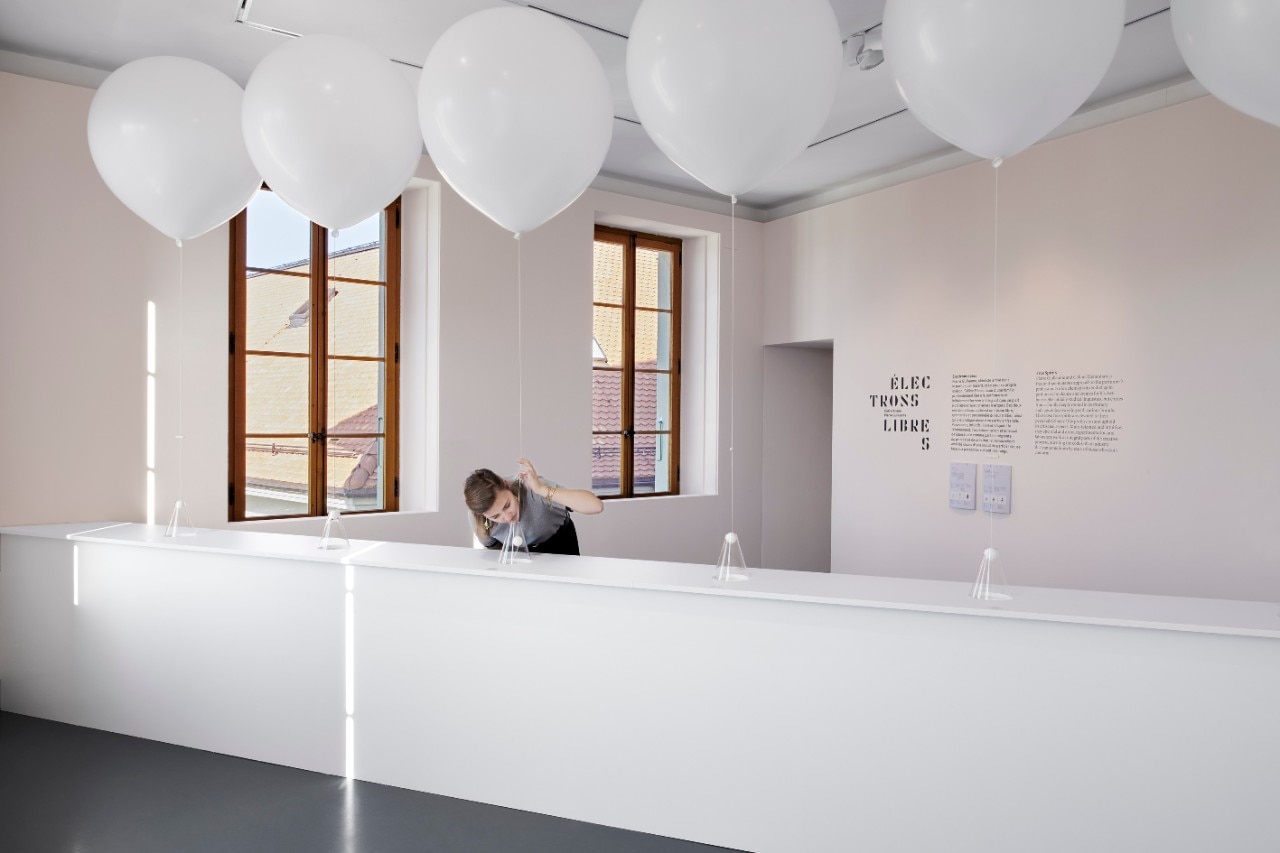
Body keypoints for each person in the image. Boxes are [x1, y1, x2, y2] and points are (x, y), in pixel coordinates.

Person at [464, 457, 603, 556]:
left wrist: (541, 489)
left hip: (558, 542)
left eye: (507, 506)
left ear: (507, 485)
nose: (508, 517)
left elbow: (596, 506)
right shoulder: (478, 517)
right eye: (495, 516)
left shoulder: (532, 488)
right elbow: (491, 547)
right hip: (517, 553)